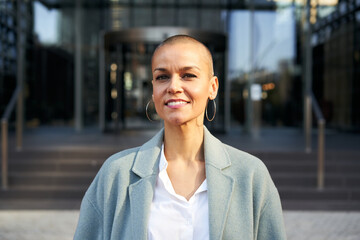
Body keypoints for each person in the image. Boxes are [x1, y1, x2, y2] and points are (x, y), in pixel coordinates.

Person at [74, 35, 286, 240]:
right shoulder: (115, 175)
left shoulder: (250, 175)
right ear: (154, 89)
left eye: (188, 75)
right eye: (162, 77)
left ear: (213, 87)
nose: (173, 86)